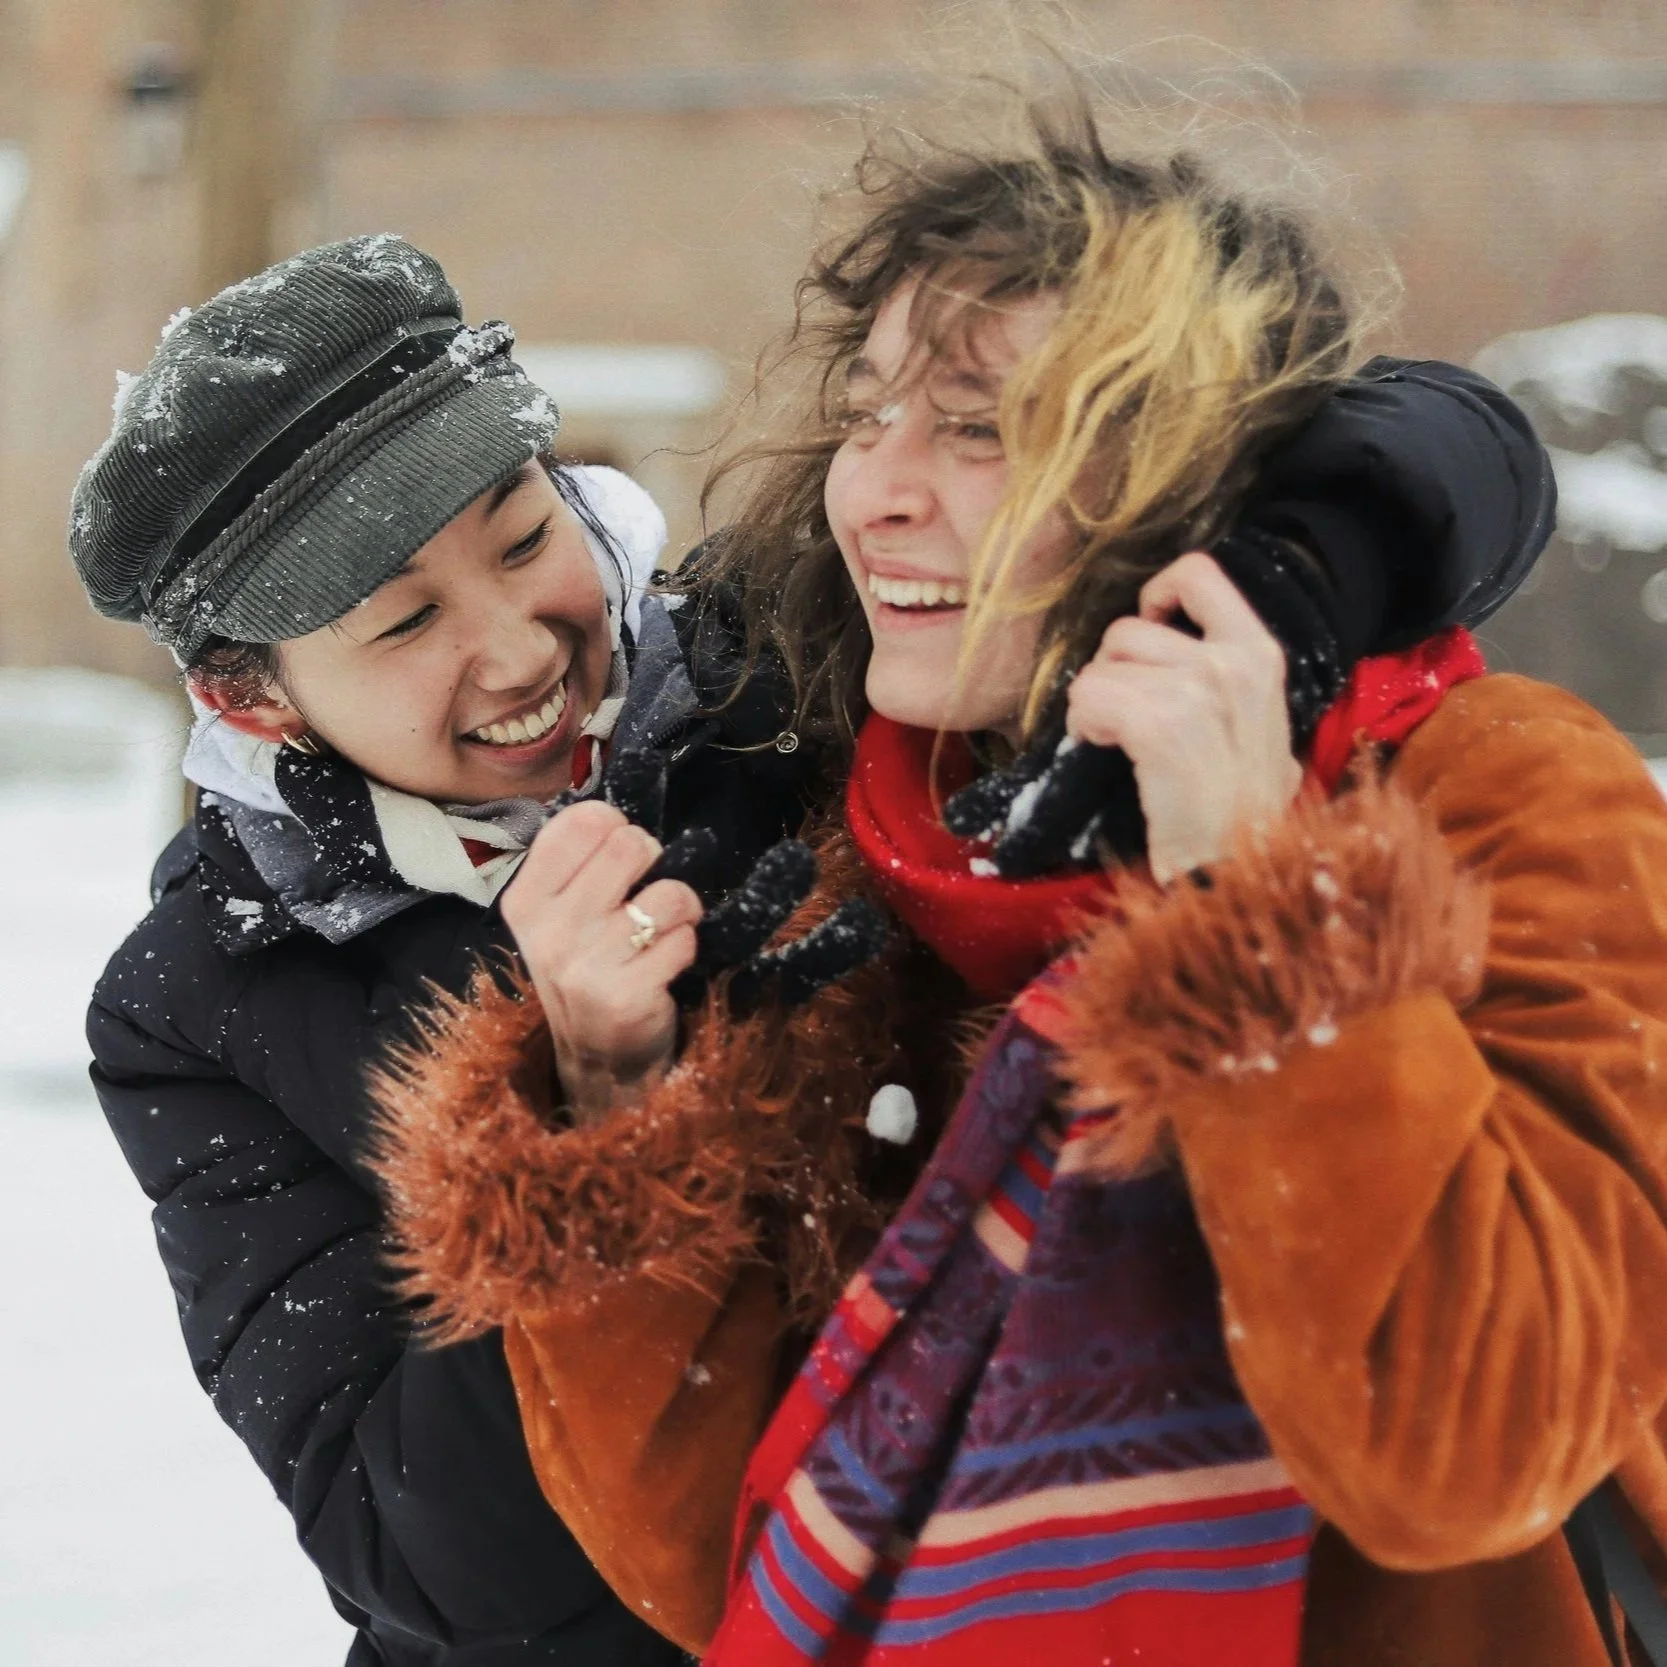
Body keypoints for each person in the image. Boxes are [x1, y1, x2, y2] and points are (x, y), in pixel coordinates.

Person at [365, 97, 1666, 1667]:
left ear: (1189, 475)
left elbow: (1471, 1450)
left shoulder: (1497, 797)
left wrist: (1255, 904)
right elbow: (726, 1558)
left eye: (979, 428)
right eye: (867, 417)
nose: (876, 492)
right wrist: (614, 1092)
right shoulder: (854, 872)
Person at [71, 236, 839, 1667]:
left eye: (525, 535)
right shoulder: (207, 1005)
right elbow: (438, 1558)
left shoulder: (793, 690)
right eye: (408, 620)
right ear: (254, 698)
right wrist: (587, 1112)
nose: (520, 649)